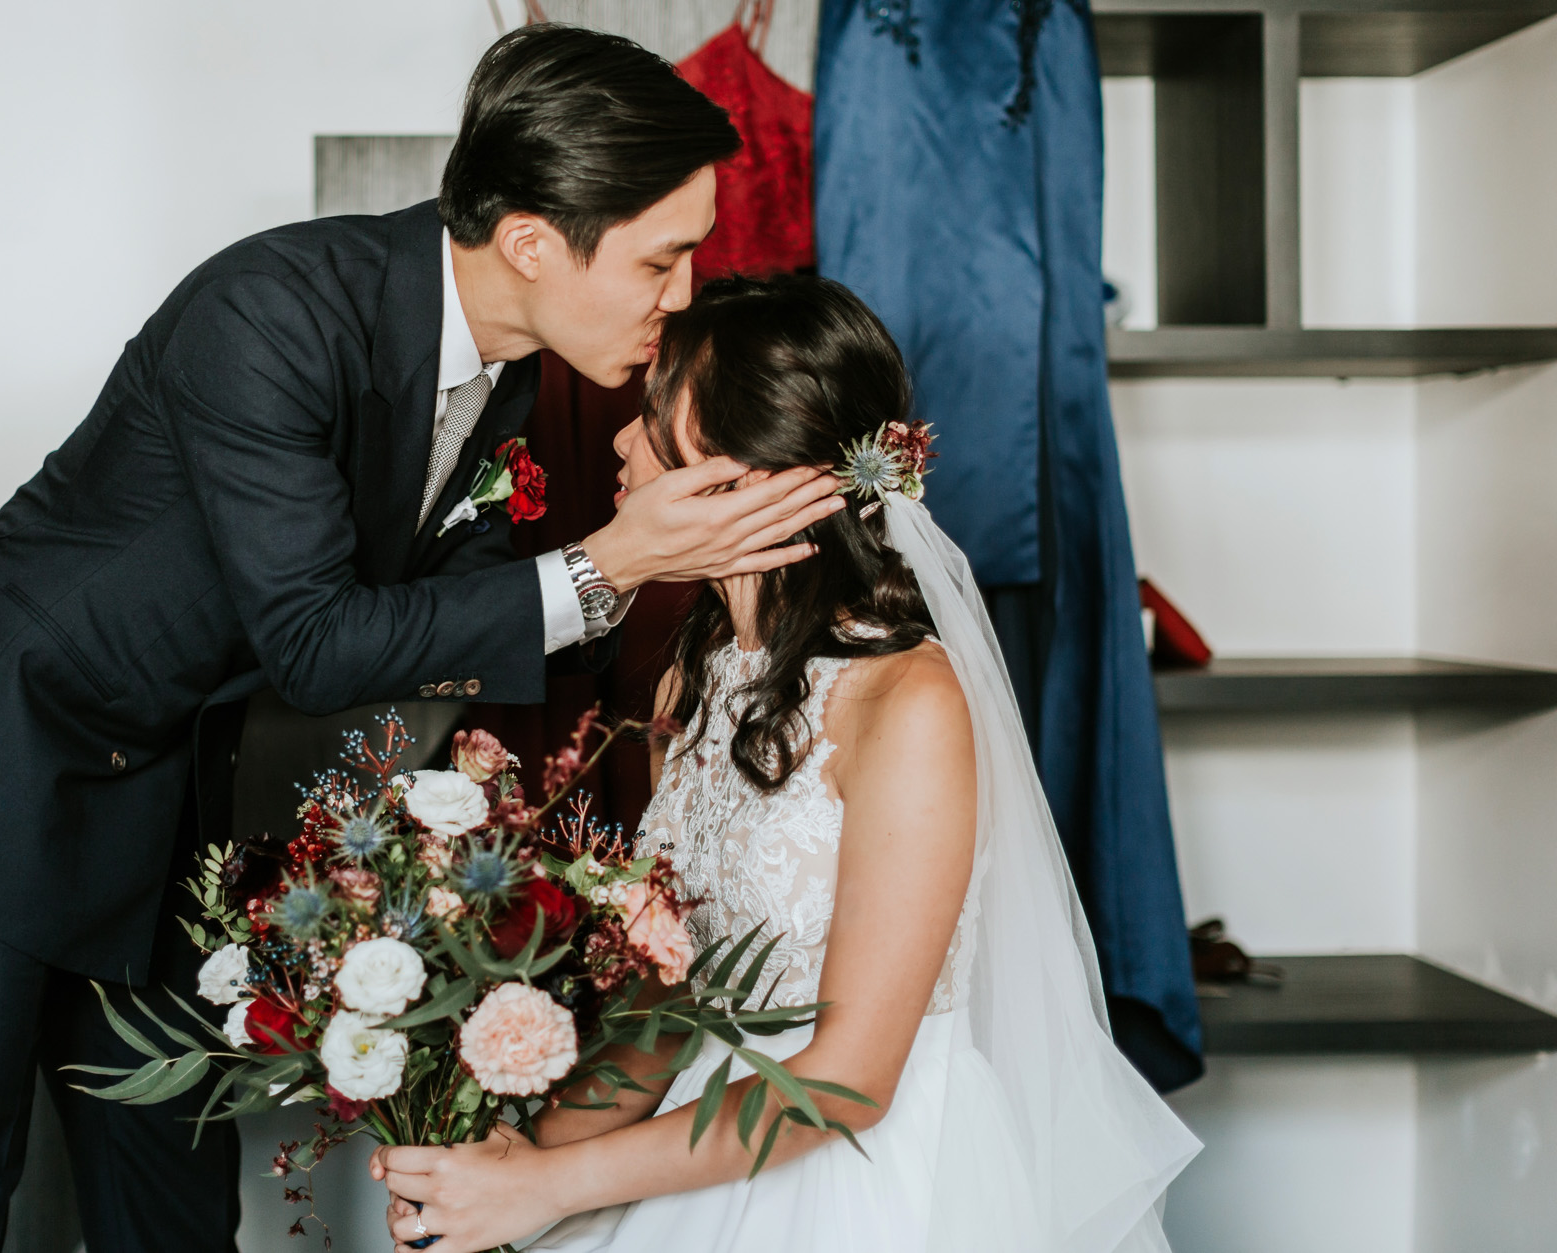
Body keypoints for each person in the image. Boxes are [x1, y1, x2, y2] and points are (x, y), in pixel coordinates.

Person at [0, 25, 851, 1253]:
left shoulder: (508, 369)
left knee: (166, 1163)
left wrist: (644, 577)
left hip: (158, 766)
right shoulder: (268, 310)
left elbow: (448, 612)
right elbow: (315, 641)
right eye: (660, 258)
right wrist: (612, 561)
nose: (678, 295)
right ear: (532, 242)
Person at [372, 276, 1199, 1253]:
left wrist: (551, 1183)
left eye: (652, 419)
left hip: (855, 1183)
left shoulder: (907, 702)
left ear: (748, 473)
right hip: (696, 1147)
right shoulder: (701, 672)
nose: (621, 443)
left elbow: (846, 1080)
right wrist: (512, 1163)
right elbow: (674, 998)